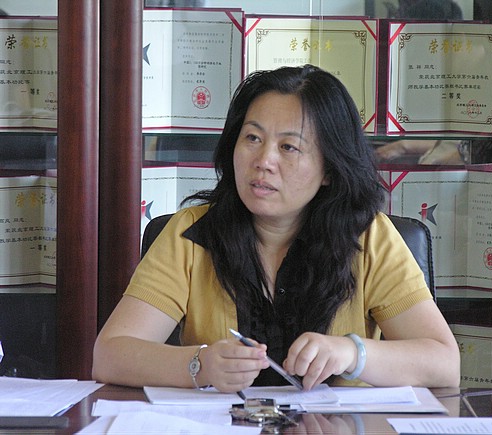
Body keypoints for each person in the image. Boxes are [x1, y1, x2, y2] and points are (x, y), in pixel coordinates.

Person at [92, 65, 460, 392]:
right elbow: (110, 355)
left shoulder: (369, 236)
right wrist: (200, 365)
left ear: (330, 169)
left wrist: (352, 352)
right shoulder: (192, 233)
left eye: (288, 147)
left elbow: (444, 364)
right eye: (252, 138)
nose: (263, 160)